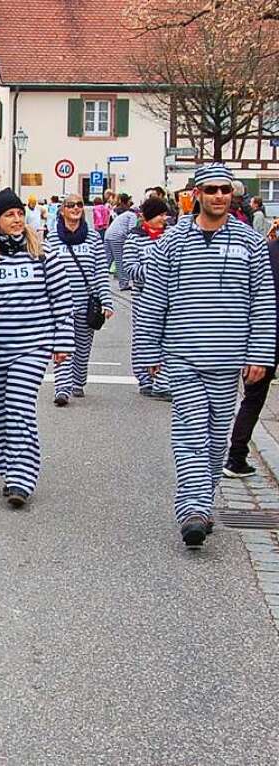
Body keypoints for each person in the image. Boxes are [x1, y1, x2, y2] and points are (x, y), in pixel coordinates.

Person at [134, 164, 276, 548]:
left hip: (228, 359)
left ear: (232, 195)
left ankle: (203, 503)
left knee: (216, 441)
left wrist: (260, 354)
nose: (219, 196)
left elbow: (262, 303)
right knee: (191, 434)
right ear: (196, 193)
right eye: (211, 189)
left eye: (225, 190)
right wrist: (147, 351)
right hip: (184, 356)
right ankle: (193, 510)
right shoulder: (172, 242)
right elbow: (153, 300)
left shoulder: (250, 243)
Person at [0, 188, 74, 509]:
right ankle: (9, 472)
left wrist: (62, 343)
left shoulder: (44, 254)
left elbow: (62, 303)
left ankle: (22, 480)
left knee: (19, 408)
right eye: (8, 215)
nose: (16, 219)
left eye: (18, 214)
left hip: (31, 345)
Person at [43, 193, 114, 406]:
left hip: (86, 300)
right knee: (62, 344)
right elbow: (45, 270)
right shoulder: (53, 238)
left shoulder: (92, 237)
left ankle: (78, 381)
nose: (75, 208)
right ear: (62, 210)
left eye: (79, 205)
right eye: (71, 205)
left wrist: (107, 300)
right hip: (60, 302)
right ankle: (61, 388)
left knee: (83, 347)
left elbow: (101, 271)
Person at [224, 217, 279, 479]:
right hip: (266, 334)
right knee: (254, 397)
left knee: (253, 397)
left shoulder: (263, 250)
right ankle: (235, 457)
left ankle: (236, 456)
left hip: (261, 335)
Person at [123, 195, 172, 401]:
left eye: (165, 214)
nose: (164, 218)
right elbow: (129, 268)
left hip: (168, 297)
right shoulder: (134, 238)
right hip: (143, 296)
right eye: (160, 214)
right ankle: (144, 379)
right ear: (148, 217)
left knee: (167, 338)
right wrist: (155, 270)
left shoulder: (171, 236)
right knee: (143, 336)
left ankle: (163, 381)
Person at [104, 193, 137, 289]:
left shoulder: (124, 215)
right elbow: (132, 229)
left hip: (108, 234)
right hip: (118, 237)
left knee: (107, 260)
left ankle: (96, 281)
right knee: (120, 260)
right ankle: (124, 284)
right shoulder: (132, 215)